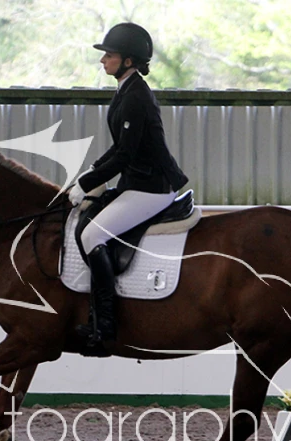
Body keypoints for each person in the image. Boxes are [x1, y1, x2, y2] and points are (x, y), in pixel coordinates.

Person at [68, 22, 189, 350]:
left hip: (152, 187)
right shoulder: (126, 90)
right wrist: (91, 171)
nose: (103, 60)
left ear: (128, 61)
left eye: (109, 55)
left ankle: (105, 325)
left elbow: (125, 155)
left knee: (92, 236)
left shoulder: (136, 97)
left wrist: (88, 182)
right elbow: (120, 147)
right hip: (136, 181)